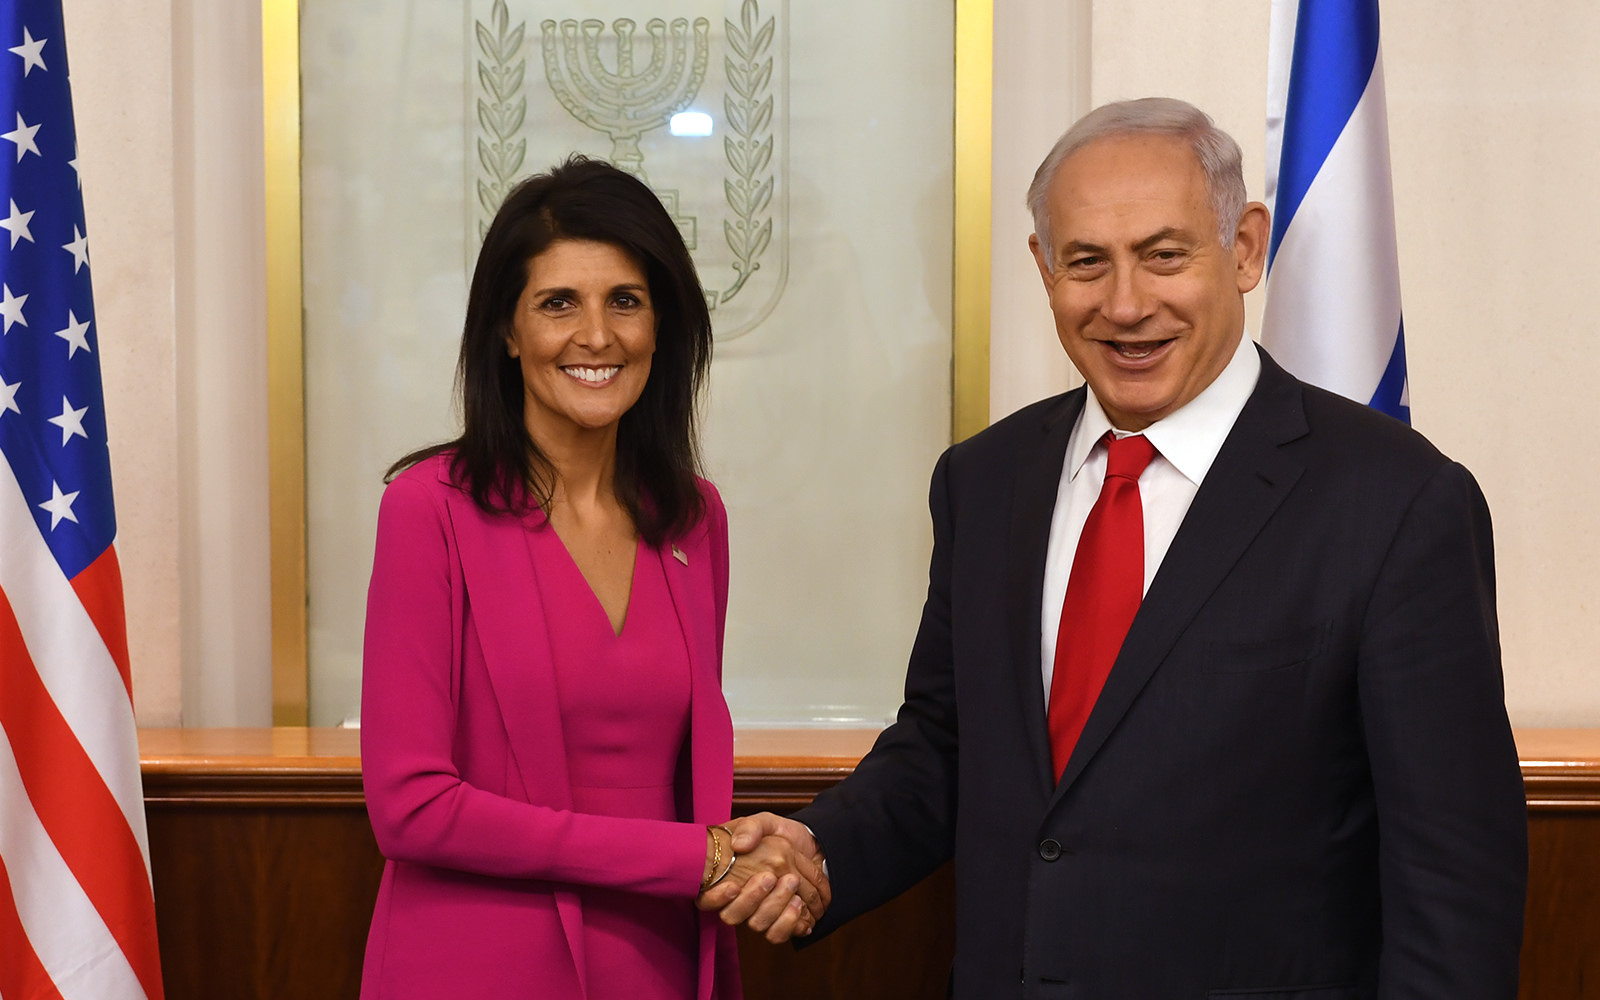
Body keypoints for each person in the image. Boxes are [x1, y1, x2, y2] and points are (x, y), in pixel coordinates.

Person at [707, 99, 1529, 996]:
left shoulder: (1396, 500)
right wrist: (823, 850)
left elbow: (1454, 879)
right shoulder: (985, 482)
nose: (1126, 304)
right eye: (1087, 263)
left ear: (1246, 248)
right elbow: (946, 744)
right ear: (1043, 267)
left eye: (1165, 254)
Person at [359, 156, 826, 1000]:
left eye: (625, 301)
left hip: (660, 964)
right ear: (507, 330)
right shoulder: (429, 510)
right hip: (476, 971)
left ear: (662, 325)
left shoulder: (695, 520)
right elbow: (411, 806)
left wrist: (752, 867)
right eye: (557, 303)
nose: (597, 336)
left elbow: (683, 780)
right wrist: (699, 855)